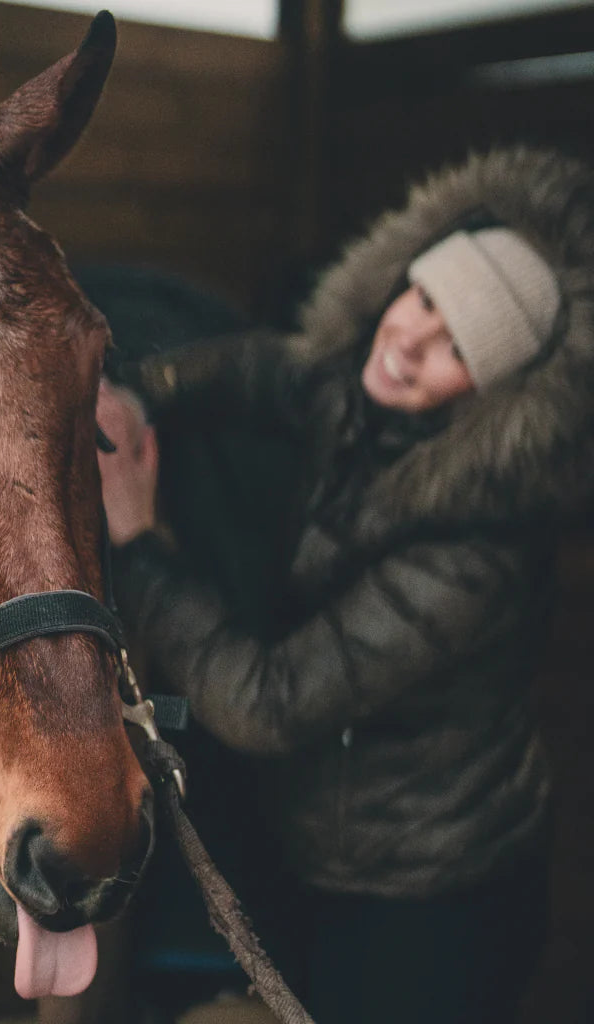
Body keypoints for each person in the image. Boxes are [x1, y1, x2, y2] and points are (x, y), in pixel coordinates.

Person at [96, 147, 594, 1024]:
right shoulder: (358, 388)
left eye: (457, 350)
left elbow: (269, 701)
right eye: (426, 299)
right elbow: (262, 370)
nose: (411, 341)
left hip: (426, 896)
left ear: (488, 398)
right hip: (324, 838)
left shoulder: (474, 552)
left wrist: (136, 544)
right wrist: (135, 397)